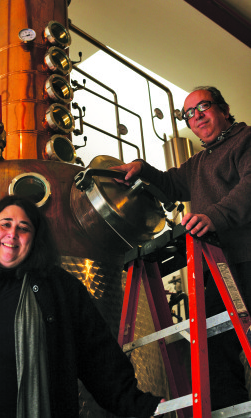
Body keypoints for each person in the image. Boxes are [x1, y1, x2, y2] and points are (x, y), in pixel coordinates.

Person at [0, 194, 165, 418]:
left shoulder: (59, 288)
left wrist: (138, 403)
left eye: (23, 228)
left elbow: (97, 356)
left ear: (34, 240)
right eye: (5, 224)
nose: (12, 234)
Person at [112, 86, 251, 410]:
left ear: (224, 109)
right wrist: (141, 169)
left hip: (247, 258)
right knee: (215, 351)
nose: (197, 116)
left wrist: (213, 216)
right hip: (217, 268)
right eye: (189, 113)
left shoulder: (245, 140)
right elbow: (171, 183)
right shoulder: (199, 161)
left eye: (203, 107)